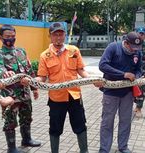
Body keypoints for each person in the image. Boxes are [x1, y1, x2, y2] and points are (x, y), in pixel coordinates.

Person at [21, 22, 90, 153]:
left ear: (64, 35)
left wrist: (91, 80)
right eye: (55, 35)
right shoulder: (45, 55)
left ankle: (84, 151)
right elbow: (42, 77)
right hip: (56, 98)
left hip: (74, 96)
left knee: (80, 126)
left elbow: (81, 70)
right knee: (55, 128)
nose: (58, 37)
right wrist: (31, 81)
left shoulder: (74, 51)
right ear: (50, 36)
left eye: (61, 34)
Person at [0, 24, 41, 153]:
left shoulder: (21, 51)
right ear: (0, 37)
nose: (10, 39)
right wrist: (5, 72)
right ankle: (11, 148)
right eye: (7, 36)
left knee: (27, 117)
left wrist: (34, 88)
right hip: (10, 95)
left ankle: (26, 139)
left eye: (13, 36)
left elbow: (29, 71)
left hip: (25, 93)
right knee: (10, 120)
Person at [98, 31, 142, 153]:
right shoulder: (113, 47)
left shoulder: (137, 52)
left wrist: (136, 76)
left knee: (126, 120)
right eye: (132, 47)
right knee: (107, 121)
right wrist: (123, 75)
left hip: (127, 93)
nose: (134, 51)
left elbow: (139, 69)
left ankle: (123, 146)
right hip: (111, 92)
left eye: (137, 48)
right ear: (126, 43)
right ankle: (104, 148)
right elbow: (102, 65)